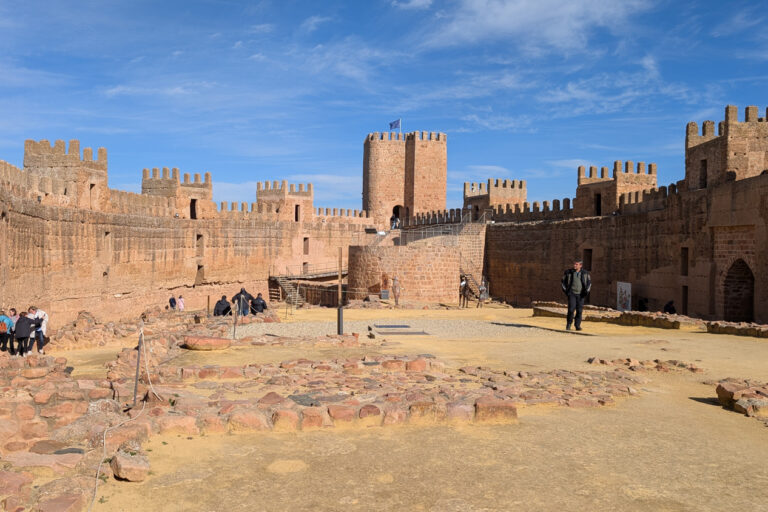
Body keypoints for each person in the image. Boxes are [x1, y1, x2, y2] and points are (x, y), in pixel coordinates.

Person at [561, 259, 591, 331]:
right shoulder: (568, 272)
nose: (574, 265)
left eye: (576, 264)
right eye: (574, 264)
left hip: (581, 294)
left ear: (580, 265)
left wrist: (586, 292)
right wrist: (567, 292)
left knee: (579, 311)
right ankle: (569, 324)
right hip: (572, 294)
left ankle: (577, 325)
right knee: (571, 309)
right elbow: (563, 282)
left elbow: (589, 283)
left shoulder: (585, 273)